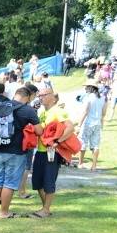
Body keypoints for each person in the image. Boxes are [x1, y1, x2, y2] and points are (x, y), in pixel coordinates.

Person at [0, 85, 42, 219]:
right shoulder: (27, 110)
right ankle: (4, 212)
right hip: (16, 150)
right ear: (27, 97)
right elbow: (39, 131)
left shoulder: (0, 105)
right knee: (10, 182)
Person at [30, 88, 74, 218]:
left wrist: (58, 142)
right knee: (37, 181)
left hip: (52, 152)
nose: (40, 97)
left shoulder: (58, 111)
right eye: (39, 95)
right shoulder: (42, 111)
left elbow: (70, 127)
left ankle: (45, 209)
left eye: (43, 95)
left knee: (49, 181)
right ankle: (46, 208)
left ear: (52, 96)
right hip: (40, 150)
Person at [78, 80, 107, 171]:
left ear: (91, 88)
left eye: (87, 87)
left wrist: (79, 125)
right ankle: (94, 166)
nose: (85, 88)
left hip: (88, 123)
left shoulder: (88, 97)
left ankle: (80, 163)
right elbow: (104, 113)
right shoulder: (103, 98)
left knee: (83, 142)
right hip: (97, 123)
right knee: (95, 145)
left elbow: (85, 111)